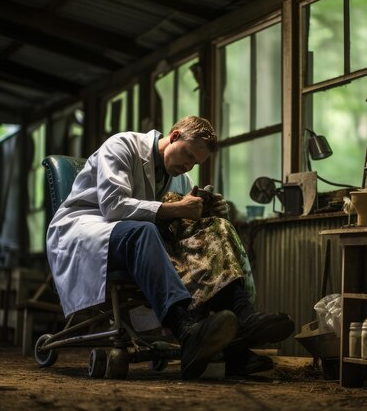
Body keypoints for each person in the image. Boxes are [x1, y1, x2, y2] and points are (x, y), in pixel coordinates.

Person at [45, 115, 294, 380]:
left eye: (194, 163)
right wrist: (178, 208)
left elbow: (179, 220)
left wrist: (210, 212)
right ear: (174, 136)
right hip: (87, 228)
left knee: (215, 229)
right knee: (143, 231)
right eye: (187, 155)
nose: (188, 167)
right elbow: (113, 206)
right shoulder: (122, 146)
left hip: (141, 239)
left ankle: (241, 324)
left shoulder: (181, 179)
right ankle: (186, 331)